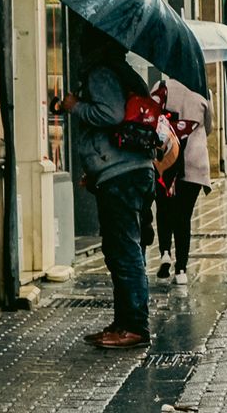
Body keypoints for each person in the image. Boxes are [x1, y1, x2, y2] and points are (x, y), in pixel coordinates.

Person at [57, 26, 160, 349]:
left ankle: (134, 327)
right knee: (125, 250)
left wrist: (75, 106)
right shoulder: (125, 71)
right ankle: (124, 322)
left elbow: (110, 113)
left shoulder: (101, 73)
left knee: (124, 251)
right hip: (133, 169)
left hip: (121, 173)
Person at [154, 78, 212, 286]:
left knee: (163, 208)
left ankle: (165, 252)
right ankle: (181, 271)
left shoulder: (160, 88)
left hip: (166, 162)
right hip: (193, 163)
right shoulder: (201, 94)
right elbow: (209, 128)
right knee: (183, 216)